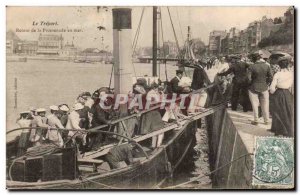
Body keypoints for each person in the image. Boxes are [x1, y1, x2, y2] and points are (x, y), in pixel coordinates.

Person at [269, 57, 294, 137]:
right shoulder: (291, 74)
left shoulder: (277, 74)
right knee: (288, 112)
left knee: (277, 112)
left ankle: (279, 130)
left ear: (279, 65)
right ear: (287, 65)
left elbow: (272, 88)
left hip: (279, 93)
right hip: (288, 94)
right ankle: (288, 131)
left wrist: (272, 92)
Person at [247, 53, 273, 125]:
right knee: (265, 105)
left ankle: (256, 120)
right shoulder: (267, 66)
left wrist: (250, 84)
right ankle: (266, 120)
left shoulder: (251, 67)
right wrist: (267, 84)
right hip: (264, 87)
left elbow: (248, 79)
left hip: (253, 87)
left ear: (253, 59)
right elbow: (271, 77)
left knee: (255, 105)